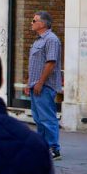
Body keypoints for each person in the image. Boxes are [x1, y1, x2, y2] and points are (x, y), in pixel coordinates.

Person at [25, 10, 63, 160]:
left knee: (48, 118)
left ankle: (55, 149)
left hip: (45, 86)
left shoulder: (51, 39)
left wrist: (40, 83)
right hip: (35, 85)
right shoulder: (38, 40)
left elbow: (51, 63)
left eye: (34, 21)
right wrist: (29, 83)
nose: (31, 23)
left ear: (43, 24)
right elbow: (35, 64)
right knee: (38, 118)